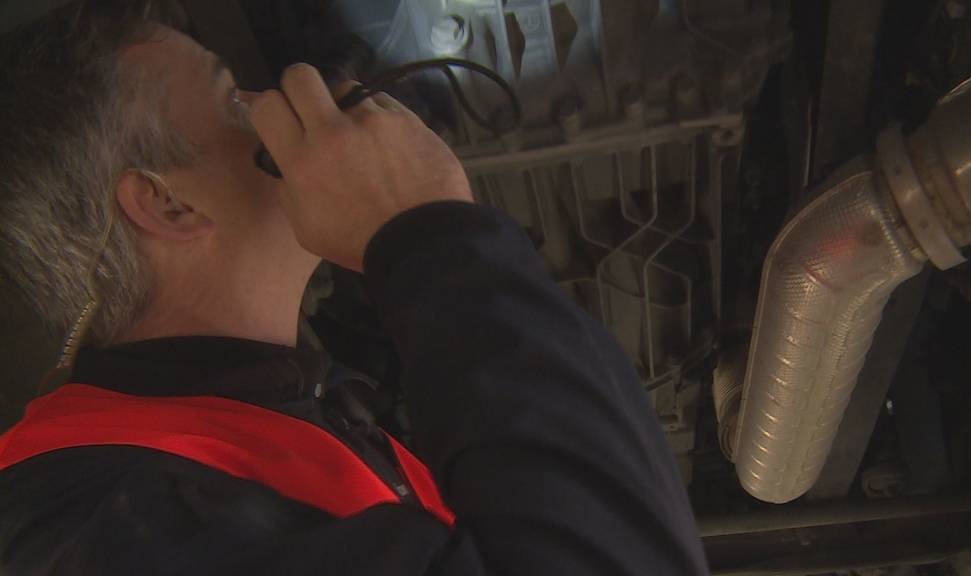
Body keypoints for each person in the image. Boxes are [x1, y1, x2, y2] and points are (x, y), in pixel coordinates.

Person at [0, 2, 709, 574]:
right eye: (234, 100)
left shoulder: (270, 422)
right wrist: (429, 231)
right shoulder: (96, 529)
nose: (271, 104)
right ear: (167, 205)